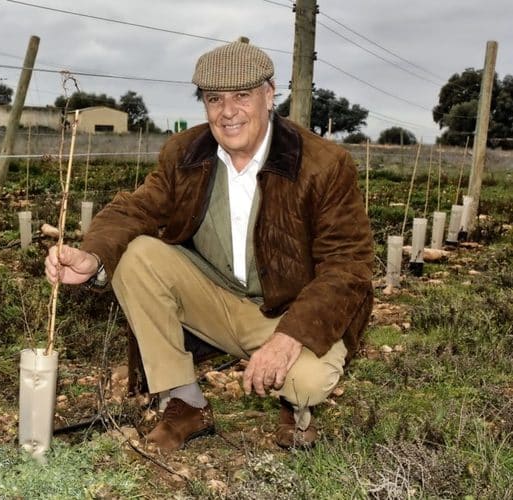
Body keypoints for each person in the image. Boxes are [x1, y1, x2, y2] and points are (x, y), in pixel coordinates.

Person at [45, 37, 373, 451]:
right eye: (214, 98)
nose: (228, 112)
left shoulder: (323, 164)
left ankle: (296, 409)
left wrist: (289, 338)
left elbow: (349, 265)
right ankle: (184, 400)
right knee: (136, 255)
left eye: (242, 96)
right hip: (214, 295)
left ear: (269, 95)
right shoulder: (186, 152)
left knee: (306, 382)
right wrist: (92, 257)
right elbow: (135, 210)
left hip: (289, 311)